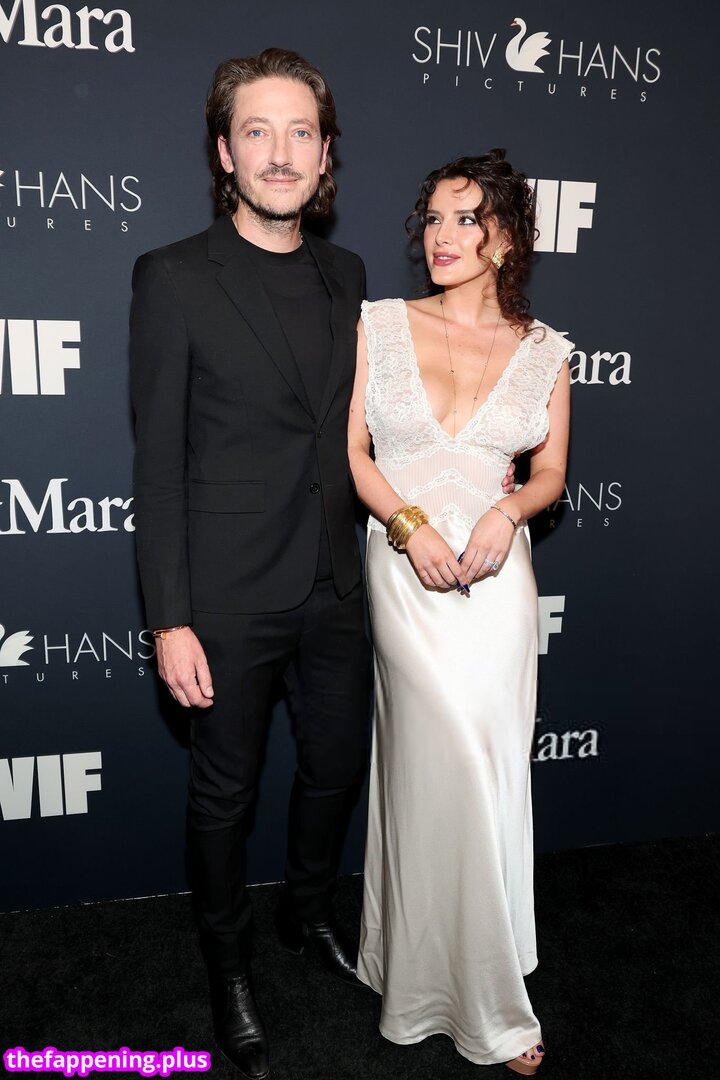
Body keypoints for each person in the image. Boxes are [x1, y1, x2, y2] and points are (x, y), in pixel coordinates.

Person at [129, 48, 372, 1080]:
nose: (281, 153)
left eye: (300, 133)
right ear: (225, 153)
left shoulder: (349, 276)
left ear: (326, 154)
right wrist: (169, 616)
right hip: (225, 595)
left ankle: (305, 911)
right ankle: (227, 968)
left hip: (337, 582)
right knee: (224, 798)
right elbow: (158, 463)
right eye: (258, 132)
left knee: (335, 768)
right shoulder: (174, 276)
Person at [347, 150, 573, 1076]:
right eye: (433, 218)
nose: (442, 236)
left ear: (505, 237)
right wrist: (407, 526)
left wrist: (505, 512)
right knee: (437, 761)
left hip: (496, 581)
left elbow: (551, 473)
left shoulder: (546, 351)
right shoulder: (380, 324)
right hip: (405, 573)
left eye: (466, 218)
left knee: (487, 773)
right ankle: (482, 1007)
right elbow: (353, 453)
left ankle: (465, 967)